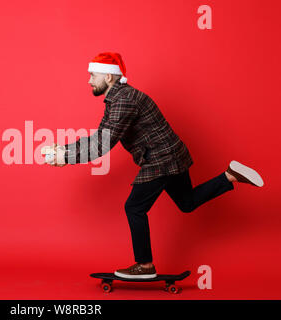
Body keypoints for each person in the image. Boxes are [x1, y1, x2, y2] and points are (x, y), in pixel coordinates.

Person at [45, 52, 264, 279]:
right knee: (187, 203)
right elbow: (100, 135)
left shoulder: (123, 100)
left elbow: (103, 143)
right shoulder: (118, 98)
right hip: (172, 154)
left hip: (161, 159)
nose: (89, 80)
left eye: (93, 74)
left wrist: (66, 158)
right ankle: (229, 175)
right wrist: (65, 150)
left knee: (134, 208)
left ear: (109, 77)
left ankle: (145, 266)